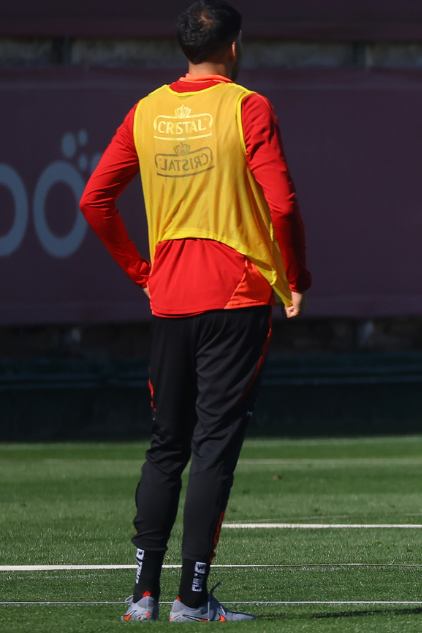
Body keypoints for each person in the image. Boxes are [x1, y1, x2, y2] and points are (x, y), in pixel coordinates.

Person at [80, 0, 310, 620]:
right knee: (213, 449)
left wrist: (142, 274)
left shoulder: (147, 110)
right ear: (233, 47)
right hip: (236, 298)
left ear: (183, 48)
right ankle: (193, 598)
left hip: (172, 300)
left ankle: (143, 595)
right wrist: (293, 278)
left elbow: (94, 200)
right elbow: (282, 205)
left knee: (165, 446)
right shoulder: (247, 105)